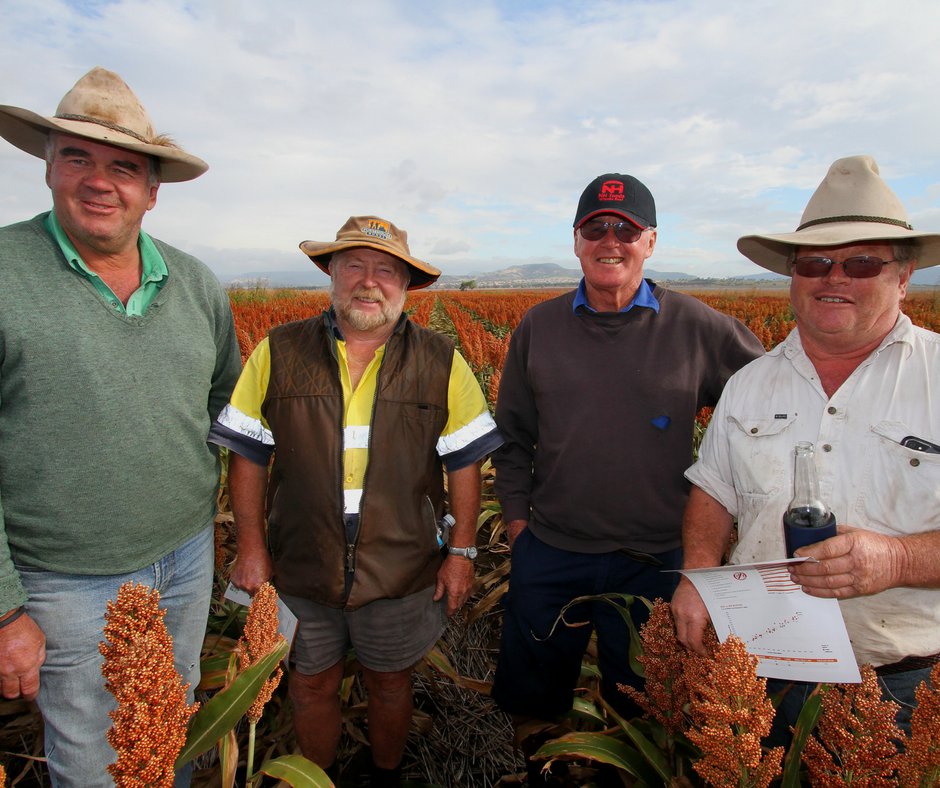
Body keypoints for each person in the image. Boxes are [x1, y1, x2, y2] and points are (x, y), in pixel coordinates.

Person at [0, 68, 241, 785]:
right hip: (63, 581)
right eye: (77, 157)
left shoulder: (197, 285)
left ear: (151, 189)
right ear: (48, 167)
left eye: (123, 167)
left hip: (187, 559)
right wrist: (6, 607)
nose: (100, 181)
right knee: (98, 762)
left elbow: (224, 412)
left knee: (174, 728)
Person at [209, 215, 502, 786]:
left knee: (390, 680)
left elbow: (465, 462)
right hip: (301, 562)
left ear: (406, 286)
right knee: (310, 680)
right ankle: (317, 775)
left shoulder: (441, 359)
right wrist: (250, 547)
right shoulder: (278, 349)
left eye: (386, 271)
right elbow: (248, 454)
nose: (370, 282)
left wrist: (462, 553)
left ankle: (384, 773)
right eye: (355, 267)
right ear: (332, 275)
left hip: (401, 566)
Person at [491, 173, 764, 777]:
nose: (610, 240)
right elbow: (510, 436)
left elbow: (773, 400)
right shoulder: (539, 326)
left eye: (626, 229)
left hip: (656, 558)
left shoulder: (696, 325)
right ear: (576, 241)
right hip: (553, 549)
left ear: (651, 241)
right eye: (596, 229)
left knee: (646, 712)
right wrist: (516, 527)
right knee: (532, 704)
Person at [674, 154, 940, 744]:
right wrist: (696, 575)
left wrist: (898, 560)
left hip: (903, 687)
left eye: (861, 262)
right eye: (815, 262)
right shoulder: (749, 384)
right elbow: (713, 491)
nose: (834, 278)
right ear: (793, 275)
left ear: (904, 274)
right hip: (763, 672)